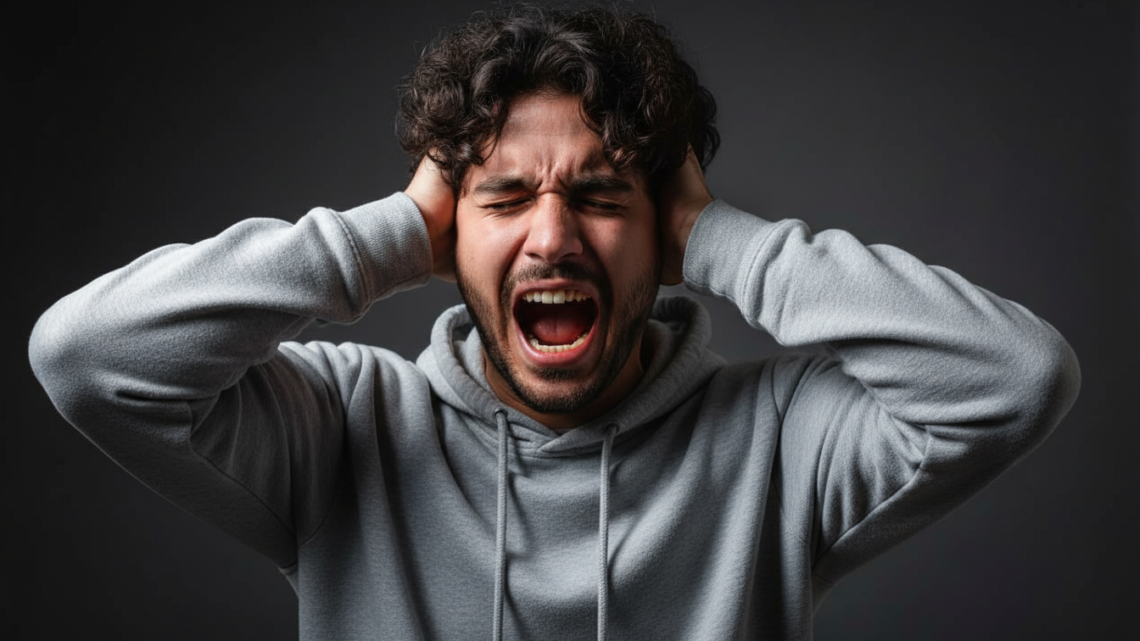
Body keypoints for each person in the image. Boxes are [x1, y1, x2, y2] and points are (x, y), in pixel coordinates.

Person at [28, 5, 1080, 640]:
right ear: (448, 232)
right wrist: (388, 232)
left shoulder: (780, 441)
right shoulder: (340, 427)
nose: (551, 235)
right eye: (504, 197)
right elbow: (87, 354)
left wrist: (722, 239)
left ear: (662, 232)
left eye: (602, 194)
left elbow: (1016, 374)